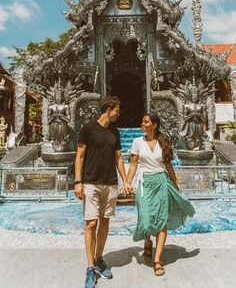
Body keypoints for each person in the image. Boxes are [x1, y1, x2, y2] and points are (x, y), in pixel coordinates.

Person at [127, 112, 195, 276]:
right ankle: (147, 241)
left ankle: (157, 260)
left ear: (154, 125)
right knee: (145, 218)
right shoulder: (137, 142)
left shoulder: (163, 141)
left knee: (161, 219)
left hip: (161, 181)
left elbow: (168, 164)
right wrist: (128, 182)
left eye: (146, 122)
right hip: (144, 184)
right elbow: (134, 165)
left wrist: (175, 181)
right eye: (142, 121)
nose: (142, 124)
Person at [74, 96, 131, 288]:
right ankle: (90, 268)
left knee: (105, 222)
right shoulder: (88, 128)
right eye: (117, 110)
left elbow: (119, 158)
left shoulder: (114, 131)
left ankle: (99, 259)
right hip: (91, 182)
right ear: (109, 109)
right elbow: (80, 156)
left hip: (110, 183)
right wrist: (77, 181)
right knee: (91, 224)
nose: (119, 113)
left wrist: (125, 181)